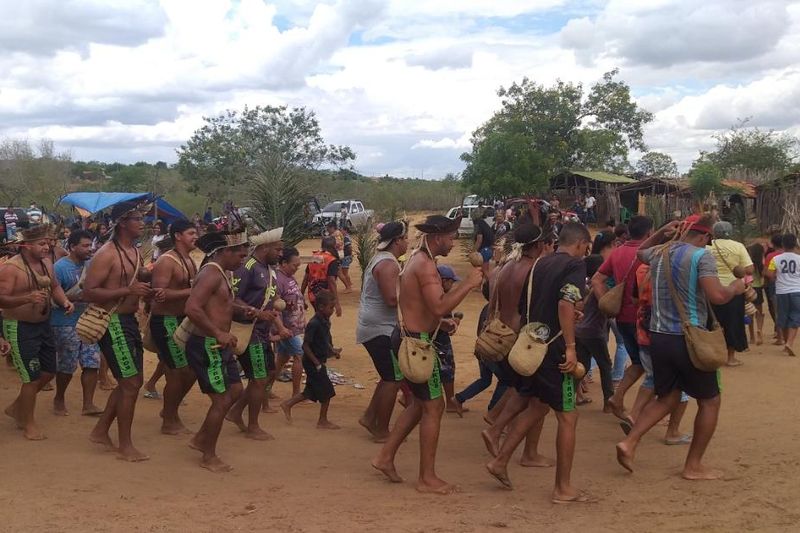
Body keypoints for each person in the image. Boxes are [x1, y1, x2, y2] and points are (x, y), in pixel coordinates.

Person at [616, 215, 745, 480]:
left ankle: (629, 443)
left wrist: (662, 231)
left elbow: (640, 252)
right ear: (705, 236)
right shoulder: (701, 256)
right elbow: (718, 296)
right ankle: (693, 466)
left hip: (659, 337)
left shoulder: (660, 252)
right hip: (688, 338)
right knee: (710, 401)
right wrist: (736, 287)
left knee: (668, 397)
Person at [371, 214, 483, 494]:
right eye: (450, 236)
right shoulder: (426, 266)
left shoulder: (418, 260)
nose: (453, 241)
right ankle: (426, 478)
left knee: (421, 405)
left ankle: (385, 457)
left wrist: (438, 323)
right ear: (436, 237)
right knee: (434, 407)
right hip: (417, 344)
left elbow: (422, 306)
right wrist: (468, 284)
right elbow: (439, 306)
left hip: (411, 337)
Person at [486, 222, 593, 502]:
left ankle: (500, 460)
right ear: (581, 244)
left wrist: (564, 318)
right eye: (585, 248)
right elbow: (564, 304)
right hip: (554, 350)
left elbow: (528, 308)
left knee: (537, 406)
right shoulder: (574, 266)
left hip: (532, 345)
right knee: (568, 417)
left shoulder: (539, 265)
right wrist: (570, 347)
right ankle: (563, 488)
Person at [479, 223, 555, 468]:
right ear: (537, 245)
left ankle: (497, 422)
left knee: (521, 388)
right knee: (535, 395)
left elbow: (492, 299)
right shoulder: (535, 269)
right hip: (522, 337)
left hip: (501, 333)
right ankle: (528, 452)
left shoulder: (506, 266)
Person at [84, 201, 153, 462]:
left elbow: (134, 280)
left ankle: (101, 431)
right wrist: (128, 291)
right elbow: (89, 292)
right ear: (123, 222)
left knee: (130, 382)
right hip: (112, 323)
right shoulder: (106, 254)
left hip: (128, 322)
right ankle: (125, 446)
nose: (142, 222)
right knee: (130, 383)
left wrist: (148, 285)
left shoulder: (133, 251)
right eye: (137, 218)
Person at [0, 224, 75, 439]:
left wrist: (64, 301)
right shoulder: (11, 269)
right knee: (31, 378)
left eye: (48, 242)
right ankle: (28, 423)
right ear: (26, 245)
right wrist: (26, 298)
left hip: (43, 324)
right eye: (41, 243)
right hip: (19, 327)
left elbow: (55, 287)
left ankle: (17, 408)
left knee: (48, 371)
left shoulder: (47, 263)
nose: (47, 246)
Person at [184, 230, 249, 472]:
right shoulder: (211, 273)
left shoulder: (223, 272)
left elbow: (221, 303)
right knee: (221, 400)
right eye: (239, 253)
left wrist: (246, 310)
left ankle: (201, 438)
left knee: (235, 390)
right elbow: (192, 307)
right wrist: (217, 332)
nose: (243, 258)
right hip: (207, 345)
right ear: (224, 252)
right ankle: (208, 455)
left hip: (219, 345)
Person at [592, 216, 654, 425]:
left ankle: (617, 398)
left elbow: (597, 280)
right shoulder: (650, 254)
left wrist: (606, 303)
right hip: (644, 319)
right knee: (654, 367)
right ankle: (638, 413)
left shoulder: (617, 253)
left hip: (622, 317)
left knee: (638, 362)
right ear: (649, 233)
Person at [226, 228, 287, 439]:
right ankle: (253, 426)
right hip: (248, 330)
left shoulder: (269, 268)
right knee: (259, 378)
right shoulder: (248, 267)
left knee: (268, 373)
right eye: (278, 250)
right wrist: (257, 313)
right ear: (265, 247)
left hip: (261, 331)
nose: (281, 254)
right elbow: (232, 299)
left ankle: (236, 412)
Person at [357, 221, 408, 442]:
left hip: (377, 326)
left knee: (388, 376)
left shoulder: (383, 260)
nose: (408, 243)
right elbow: (391, 298)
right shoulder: (388, 263)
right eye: (406, 239)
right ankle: (381, 429)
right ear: (397, 241)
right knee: (393, 378)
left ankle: (370, 417)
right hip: (380, 329)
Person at [148, 220, 199, 434]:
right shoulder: (166, 261)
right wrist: (193, 292)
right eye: (191, 233)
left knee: (192, 370)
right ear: (178, 236)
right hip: (166, 321)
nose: (195, 236)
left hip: (182, 320)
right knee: (179, 371)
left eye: (196, 233)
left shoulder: (189, 260)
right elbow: (158, 295)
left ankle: (170, 412)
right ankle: (169, 420)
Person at [51, 230, 103, 417]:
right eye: (85, 245)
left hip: (88, 320)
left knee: (92, 363)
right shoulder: (59, 268)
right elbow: (52, 297)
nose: (90, 249)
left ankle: (88, 404)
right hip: (64, 322)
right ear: (72, 247)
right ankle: (59, 398)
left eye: (91, 245)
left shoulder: (92, 265)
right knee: (67, 365)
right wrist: (74, 297)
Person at [281, 290, 341, 429]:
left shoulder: (325, 321)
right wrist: (316, 363)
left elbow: (324, 340)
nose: (332, 310)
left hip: (318, 360)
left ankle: (287, 404)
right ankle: (322, 421)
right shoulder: (314, 324)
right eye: (330, 307)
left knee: (310, 391)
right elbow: (305, 346)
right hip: (312, 362)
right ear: (321, 307)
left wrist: (332, 350)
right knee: (327, 392)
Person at [707, 221, 752, 367]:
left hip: (711, 290)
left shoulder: (707, 246)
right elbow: (750, 269)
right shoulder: (738, 246)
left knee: (711, 323)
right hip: (734, 291)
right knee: (733, 323)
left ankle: (711, 356)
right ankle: (730, 357)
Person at [273, 246, 307, 401]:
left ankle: (265, 390)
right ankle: (296, 394)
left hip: (292, 326)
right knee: (299, 355)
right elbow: (274, 307)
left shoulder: (289, 277)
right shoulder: (278, 280)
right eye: (294, 265)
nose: (296, 268)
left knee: (281, 359)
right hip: (286, 328)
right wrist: (281, 329)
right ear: (284, 263)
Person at [436, 265, 464, 415]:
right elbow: (444, 325)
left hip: (433, 338)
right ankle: (451, 403)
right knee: (447, 370)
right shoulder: (439, 295)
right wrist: (454, 323)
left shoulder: (434, 293)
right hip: (439, 340)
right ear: (444, 280)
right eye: (451, 282)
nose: (452, 285)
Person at [766, 233, 800, 356]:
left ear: (783, 244)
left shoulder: (776, 259)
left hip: (781, 291)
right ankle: (789, 343)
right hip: (796, 291)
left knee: (783, 318)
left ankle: (786, 342)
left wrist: (777, 277)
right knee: (795, 317)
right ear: (795, 244)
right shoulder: (799, 258)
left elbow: (769, 274)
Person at [301, 236, 342, 317]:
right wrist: (337, 303)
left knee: (319, 316)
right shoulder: (331, 260)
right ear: (333, 246)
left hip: (313, 294)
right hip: (325, 296)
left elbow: (306, 277)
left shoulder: (315, 256)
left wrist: (301, 296)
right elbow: (332, 282)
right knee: (323, 319)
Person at [746, 243, 766, 346]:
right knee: (759, 312)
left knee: (750, 312)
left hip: (749, 289)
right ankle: (759, 330)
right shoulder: (760, 264)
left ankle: (752, 337)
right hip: (758, 289)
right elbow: (764, 275)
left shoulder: (748, 264)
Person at [473, 210, 494, 278]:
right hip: (488, 249)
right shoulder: (484, 224)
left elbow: (479, 240)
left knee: (484, 270)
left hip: (484, 250)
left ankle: (491, 284)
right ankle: (484, 285)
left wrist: (474, 251)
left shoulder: (479, 225)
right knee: (484, 270)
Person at [339, 227, 354, 293]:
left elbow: (349, 247)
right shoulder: (346, 237)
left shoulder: (346, 238)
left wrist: (350, 255)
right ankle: (349, 284)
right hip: (347, 256)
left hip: (346, 257)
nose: (340, 231)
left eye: (341, 230)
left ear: (345, 230)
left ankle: (348, 287)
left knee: (344, 273)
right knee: (345, 272)